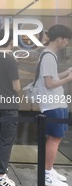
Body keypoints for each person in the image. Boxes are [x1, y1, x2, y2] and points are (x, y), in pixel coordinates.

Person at [36, 25, 72, 186]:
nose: (67, 43)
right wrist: (68, 79)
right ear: (59, 39)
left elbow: (52, 78)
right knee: (55, 138)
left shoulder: (49, 55)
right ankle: (47, 173)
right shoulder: (49, 56)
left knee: (55, 138)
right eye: (66, 40)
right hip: (52, 103)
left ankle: (48, 170)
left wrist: (66, 73)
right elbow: (49, 83)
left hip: (55, 102)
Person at [0, 30, 20, 186]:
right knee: (6, 139)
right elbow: (16, 86)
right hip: (9, 104)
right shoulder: (10, 60)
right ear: (10, 41)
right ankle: (0, 176)